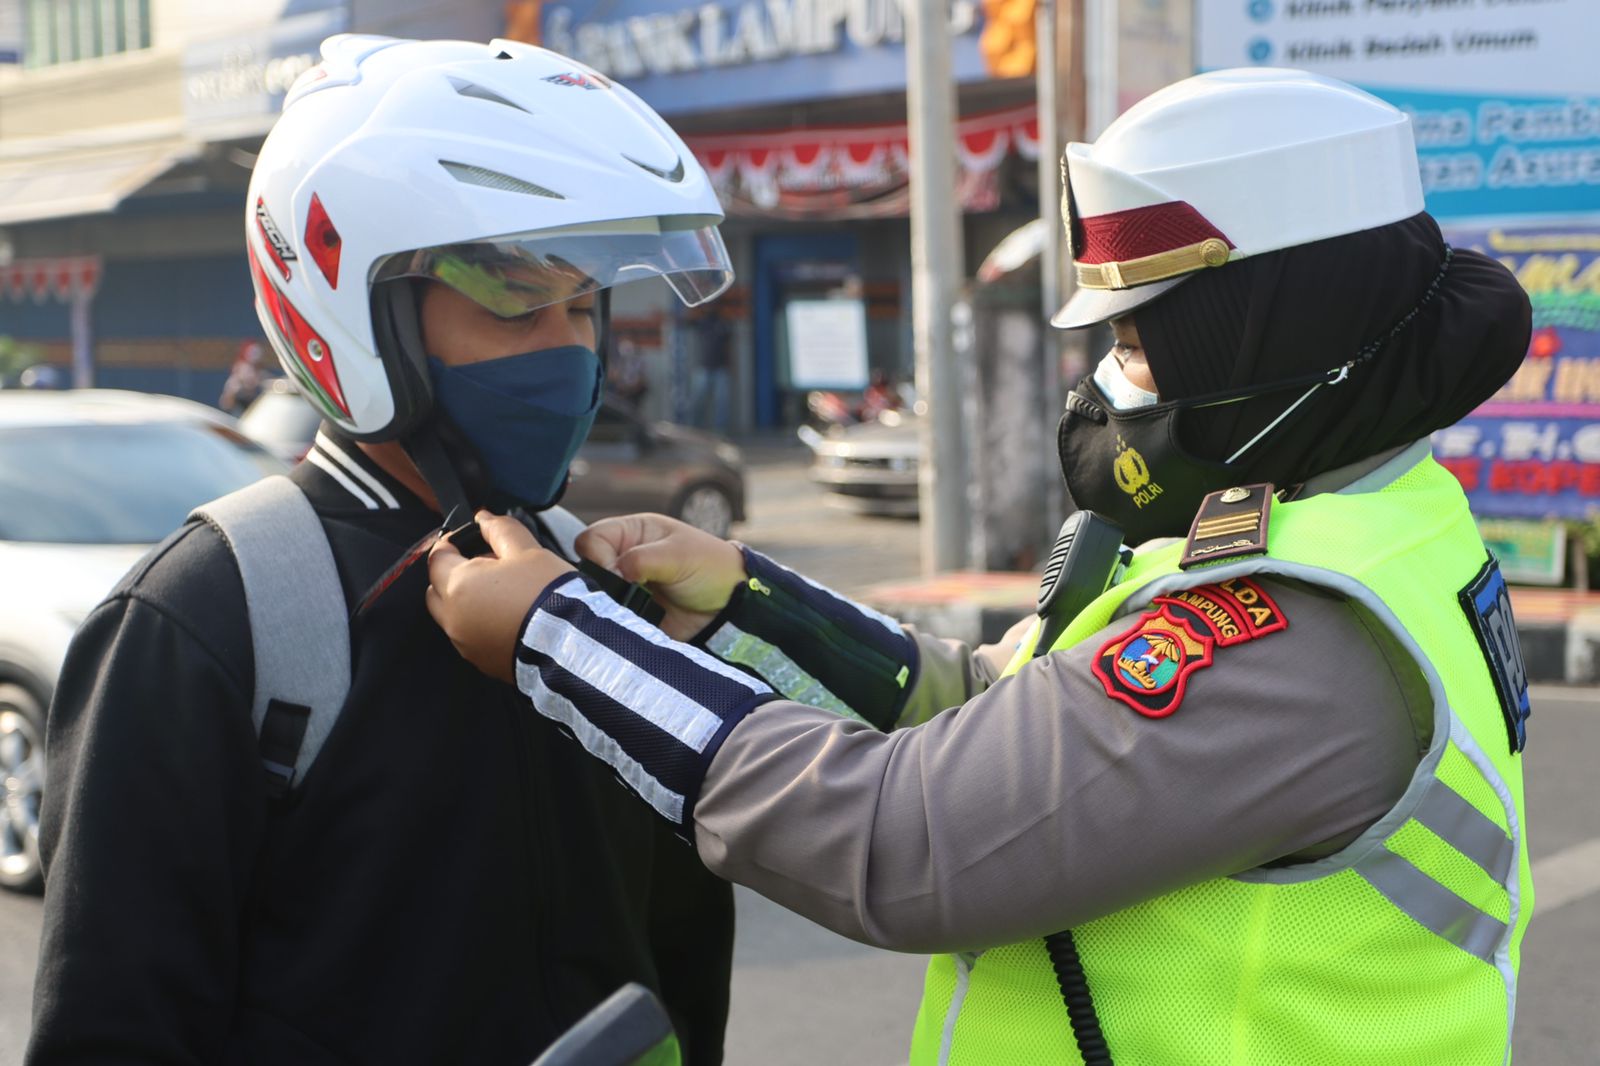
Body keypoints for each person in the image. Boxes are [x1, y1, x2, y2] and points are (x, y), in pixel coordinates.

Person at [426, 68, 1536, 1064]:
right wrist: (748, 599)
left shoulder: (1294, 635)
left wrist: (563, 635)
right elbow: (998, 710)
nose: (1109, 381)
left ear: (1269, 338)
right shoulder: (1355, 516)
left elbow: (906, 840)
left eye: (1138, 344)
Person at [29, 36, 740, 1065]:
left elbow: (679, 966)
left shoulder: (608, 589)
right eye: (517, 304)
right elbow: (115, 1027)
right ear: (362, 319)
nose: (573, 352)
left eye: (585, 306)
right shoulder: (212, 615)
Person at [218, 340, 267, 414]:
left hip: (247, 402)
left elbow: (264, 379)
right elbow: (248, 382)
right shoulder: (242, 367)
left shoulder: (258, 371)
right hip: (237, 402)